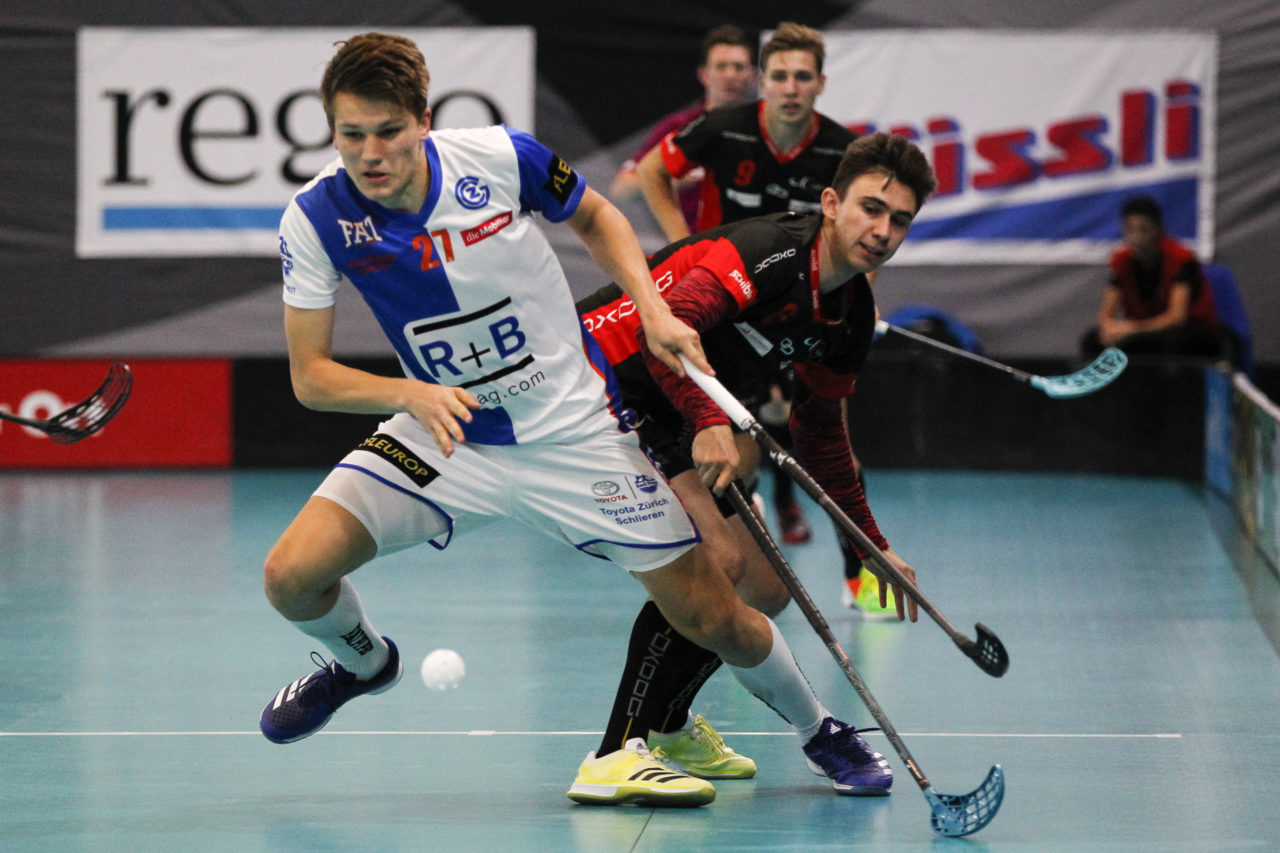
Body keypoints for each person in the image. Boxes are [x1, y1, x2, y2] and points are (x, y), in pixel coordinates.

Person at [259, 31, 889, 812]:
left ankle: (821, 729)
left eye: (387, 130)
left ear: (423, 118)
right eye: (350, 134)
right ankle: (361, 661)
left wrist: (653, 309)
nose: (369, 152)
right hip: (446, 434)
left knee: (713, 612)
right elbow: (311, 378)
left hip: (574, 432)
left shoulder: (496, 158)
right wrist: (409, 395)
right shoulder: (315, 218)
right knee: (291, 577)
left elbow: (599, 219)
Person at [578, 132, 935, 799]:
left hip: (677, 404)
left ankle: (668, 723)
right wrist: (712, 421)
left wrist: (872, 546)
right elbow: (668, 332)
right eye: (870, 208)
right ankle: (616, 749)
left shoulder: (851, 315)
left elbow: (819, 432)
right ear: (832, 203)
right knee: (720, 561)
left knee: (766, 586)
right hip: (605, 376)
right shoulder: (767, 252)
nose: (882, 231)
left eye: (900, 220)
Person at [636, 21, 890, 613]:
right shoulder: (724, 127)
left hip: (808, 316)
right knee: (738, 448)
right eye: (779, 76)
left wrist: (854, 296)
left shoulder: (842, 152)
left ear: (821, 83)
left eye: (804, 77)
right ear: (762, 81)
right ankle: (743, 561)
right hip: (730, 311)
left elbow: (864, 237)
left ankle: (861, 580)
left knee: (832, 446)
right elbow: (653, 170)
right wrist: (683, 246)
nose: (791, 88)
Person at [608, 24, 756, 230]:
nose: (730, 75)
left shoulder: (767, 132)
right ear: (704, 74)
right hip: (690, 250)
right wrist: (669, 178)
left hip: (749, 252)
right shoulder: (678, 127)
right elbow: (621, 189)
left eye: (739, 67)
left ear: (753, 75)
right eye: (721, 66)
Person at [1081, 195, 1223, 358]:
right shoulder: (1121, 261)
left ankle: (1176, 383)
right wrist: (1110, 329)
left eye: (1143, 230)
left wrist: (1131, 328)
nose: (1137, 238)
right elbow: (1105, 314)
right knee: (1094, 340)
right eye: (1130, 229)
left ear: (1157, 229)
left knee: (1172, 341)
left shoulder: (1181, 259)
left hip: (1188, 331)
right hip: (1142, 331)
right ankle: (1118, 383)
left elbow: (1177, 317)